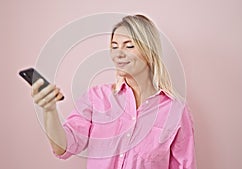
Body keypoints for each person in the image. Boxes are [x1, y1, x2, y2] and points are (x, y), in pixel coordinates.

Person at [31, 14, 196, 169]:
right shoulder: (96, 98)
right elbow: (63, 147)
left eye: (129, 46)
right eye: (114, 47)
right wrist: (49, 110)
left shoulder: (176, 110)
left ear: (149, 51)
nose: (118, 53)